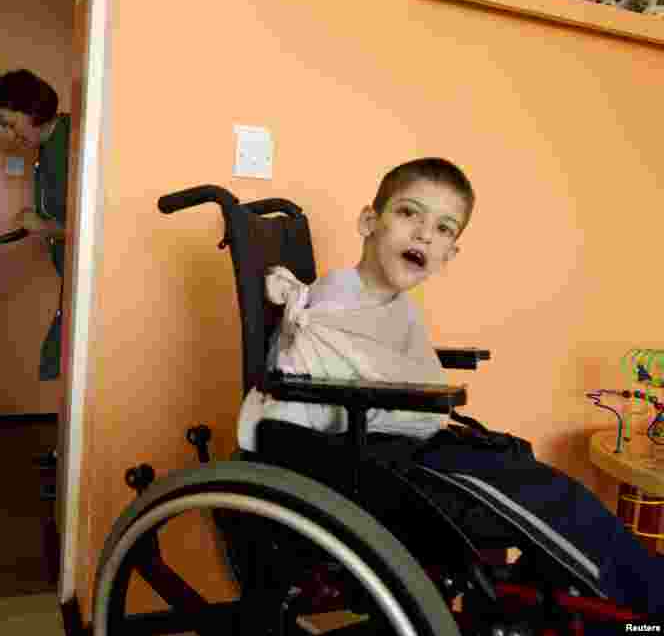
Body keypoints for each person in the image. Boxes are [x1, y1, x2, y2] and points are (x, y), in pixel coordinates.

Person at [238, 157, 664, 619]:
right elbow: (301, 412)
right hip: (360, 462)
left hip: (398, 446)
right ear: (368, 222)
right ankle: (647, 605)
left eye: (444, 229)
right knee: (550, 500)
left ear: (450, 254)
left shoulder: (390, 307)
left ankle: (604, 603)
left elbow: (379, 372)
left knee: (538, 483)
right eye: (408, 213)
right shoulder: (331, 308)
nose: (424, 234)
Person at [0, 69, 69, 383]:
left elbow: (98, 229)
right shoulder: (47, 150)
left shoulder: (72, 143)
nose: (10, 134)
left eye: (9, 123)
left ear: (32, 109)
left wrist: (44, 226)